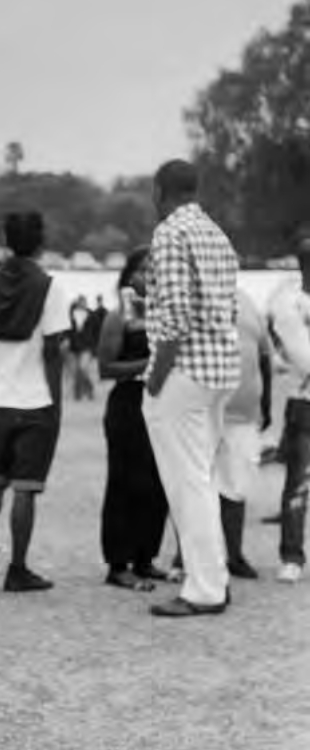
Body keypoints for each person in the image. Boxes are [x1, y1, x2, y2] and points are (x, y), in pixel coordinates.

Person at [142, 160, 240, 618]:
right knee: (203, 480)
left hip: (183, 372)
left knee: (188, 486)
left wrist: (156, 379)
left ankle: (204, 589)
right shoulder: (216, 233)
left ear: (160, 191)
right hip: (221, 371)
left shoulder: (169, 233)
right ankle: (214, 577)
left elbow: (176, 317)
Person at [0, 211, 69, 592]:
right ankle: (18, 568)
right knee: (26, 487)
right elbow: (54, 350)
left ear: (6, 240)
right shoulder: (49, 287)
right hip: (35, 399)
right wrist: (57, 405)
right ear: (41, 241)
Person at [97, 248, 170, 589]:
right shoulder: (117, 318)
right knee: (125, 481)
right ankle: (118, 563)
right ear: (128, 276)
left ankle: (145, 557)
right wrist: (150, 365)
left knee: (157, 482)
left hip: (162, 402)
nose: (150, 275)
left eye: (155, 269)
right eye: (143, 269)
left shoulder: (166, 314)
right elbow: (106, 367)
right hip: (128, 402)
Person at [214, 288, 271, 579]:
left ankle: (234, 555)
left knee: (237, 487)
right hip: (205, 413)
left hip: (245, 416)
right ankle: (186, 557)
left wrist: (267, 403)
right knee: (199, 486)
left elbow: (264, 357)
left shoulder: (248, 302)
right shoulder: (196, 298)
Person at [267, 225, 310, 584]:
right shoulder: (288, 303)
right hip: (304, 402)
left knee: (297, 481)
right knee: (298, 481)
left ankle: (292, 555)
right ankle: (292, 554)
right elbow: (302, 355)